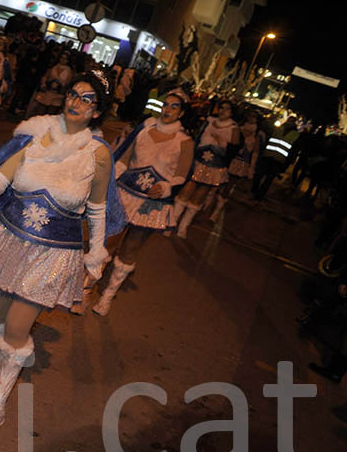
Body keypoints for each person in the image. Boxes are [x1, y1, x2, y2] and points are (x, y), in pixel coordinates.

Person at [0, 70, 124, 438]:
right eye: (73, 94)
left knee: (17, 328)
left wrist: (96, 251)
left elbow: (97, 206)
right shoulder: (38, 134)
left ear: (97, 112)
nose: (76, 102)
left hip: (53, 253)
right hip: (10, 239)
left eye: (87, 99)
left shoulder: (97, 153)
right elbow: (2, 174)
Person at [89, 88, 194, 316]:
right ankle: (86, 288)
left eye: (174, 107)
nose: (167, 110)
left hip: (151, 204)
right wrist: (110, 178)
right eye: (165, 105)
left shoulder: (184, 142)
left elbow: (182, 174)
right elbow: (125, 158)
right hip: (125, 194)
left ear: (182, 113)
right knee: (108, 242)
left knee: (130, 249)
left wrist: (166, 186)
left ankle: (107, 296)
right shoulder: (144, 130)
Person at [171, 99, 240, 238]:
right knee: (185, 192)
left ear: (232, 112)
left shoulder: (234, 128)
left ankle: (183, 227)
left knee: (198, 198)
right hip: (197, 161)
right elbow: (197, 138)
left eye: (227, 108)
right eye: (221, 107)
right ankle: (172, 223)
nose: (223, 111)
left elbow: (234, 148)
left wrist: (221, 142)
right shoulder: (209, 121)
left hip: (215, 167)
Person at [26, 49, 73, 118]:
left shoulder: (69, 71)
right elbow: (45, 76)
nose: (63, 60)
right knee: (40, 113)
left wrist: (63, 88)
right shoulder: (53, 67)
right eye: (61, 58)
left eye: (65, 59)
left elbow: (68, 83)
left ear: (68, 61)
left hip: (58, 95)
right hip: (47, 92)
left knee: (50, 115)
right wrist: (43, 84)